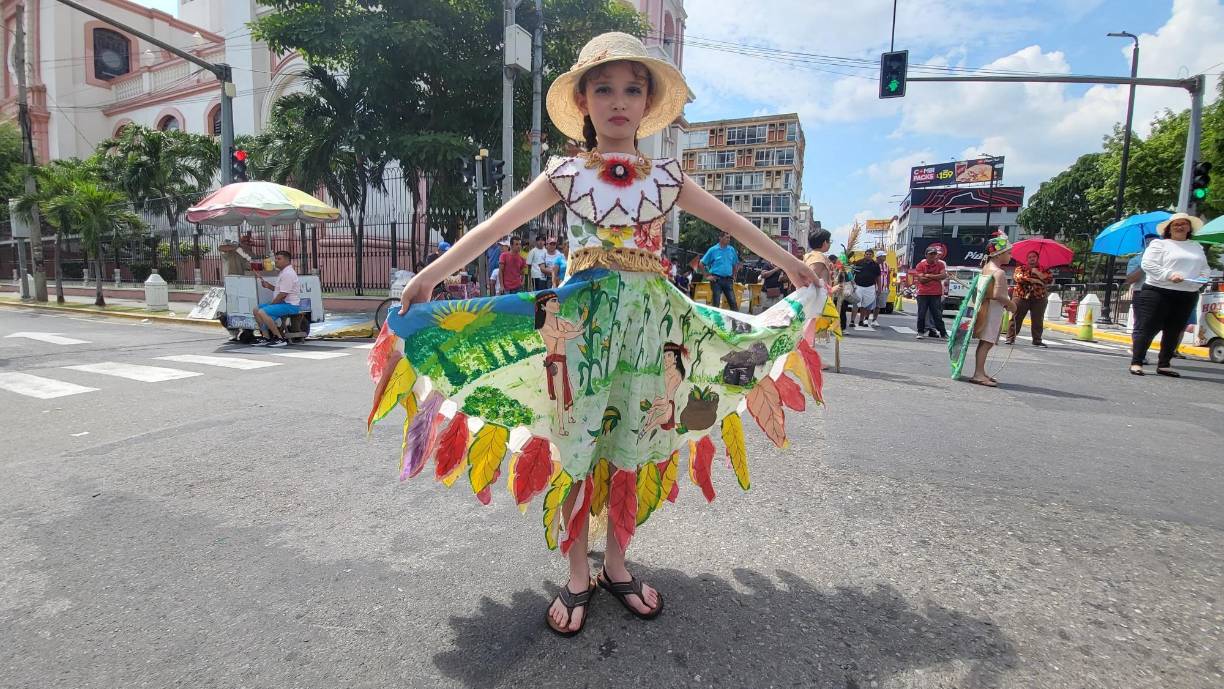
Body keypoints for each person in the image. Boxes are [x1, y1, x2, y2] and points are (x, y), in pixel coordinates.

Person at [385, 32, 824, 638]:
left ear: (647, 104)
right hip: (581, 333)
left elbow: (736, 224)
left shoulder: (668, 178)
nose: (619, 101)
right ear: (585, 102)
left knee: (634, 441)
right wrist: (434, 275)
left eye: (632, 89)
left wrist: (793, 266)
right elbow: (495, 226)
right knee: (578, 442)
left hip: (653, 330)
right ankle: (574, 571)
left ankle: (615, 563)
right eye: (605, 89)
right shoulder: (566, 173)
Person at [1129, 213, 1210, 377]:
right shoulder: (1159, 244)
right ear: (1169, 229)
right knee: (1147, 328)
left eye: (1184, 224)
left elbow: (1205, 268)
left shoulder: (1196, 246)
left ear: (1189, 228)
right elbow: (1148, 264)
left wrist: (1201, 279)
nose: (1180, 227)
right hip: (1158, 291)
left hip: (1187, 293)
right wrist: (1169, 275)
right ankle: (1137, 361)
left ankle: (1164, 364)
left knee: (1174, 330)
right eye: (1176, 224)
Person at [968, 236, 1015, 387]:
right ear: (999, 254)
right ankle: (978, 373)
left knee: (984, 342)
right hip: (992, 310)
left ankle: (980, 371)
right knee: (987, 342)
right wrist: (1011, 304)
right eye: (1008, 253)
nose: (1010, 256)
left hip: (984, 308)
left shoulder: (986, 268)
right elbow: (998, 295)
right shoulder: (999, 272)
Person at [251, 250, 301, 348]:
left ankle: (279, 338)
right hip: (283, 303)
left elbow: (283, 294)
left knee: (262, 312)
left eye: (279, 259)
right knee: (256, 310)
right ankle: (266, 337)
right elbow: (280, 290)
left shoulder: (288, 274)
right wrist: (268, 286)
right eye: (276, 259)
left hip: (290, 305)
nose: (276, 261)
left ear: (287, 261)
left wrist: (272, 305)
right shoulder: (283, 272)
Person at [1005, 250, 1052, 347]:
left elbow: (1049, 279)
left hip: (1039, 297)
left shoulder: (1044, 269)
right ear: (1027, 259)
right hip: (1021, 296)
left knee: (1038, 319)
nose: (1032, 258)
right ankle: (1010, 338)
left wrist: (1038, 273)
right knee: (1016, 317)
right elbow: (1018, 278)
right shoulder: (1021, 268)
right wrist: (1035, 280)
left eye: (1034, 256)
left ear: (1037, 258)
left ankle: (1037, 340)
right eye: (1030, 257)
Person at [912, 246, 948, 339]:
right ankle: (920, 331)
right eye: (930, 254)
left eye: (934, 254)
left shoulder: (940, 264)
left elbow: (943, 275)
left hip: (936, 293)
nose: (933, 256)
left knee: (937, 315)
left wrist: (928, 275)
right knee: (922, 314)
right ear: (926, 255)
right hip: (923, 293)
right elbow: (922, 280)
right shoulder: (921, 265)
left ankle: (943, 333)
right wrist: (936, 276)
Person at [700, 232, 741, 310]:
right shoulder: (713, 250)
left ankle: (735, 322)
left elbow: (735, 264)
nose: (729, 239)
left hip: (728, 279)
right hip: (716, 280)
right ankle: (715, 321)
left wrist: (734, 275)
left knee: (733, 303)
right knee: (716, 303)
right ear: (720, 238)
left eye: (729, 238)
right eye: (726, 237)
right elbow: (701, 263)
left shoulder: (731, 249)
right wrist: (707, 276)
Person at [851, 251, 880, 330]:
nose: (868, 255)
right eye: (867, 254)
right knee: (856, 303)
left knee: (865, 304)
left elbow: (878, 277)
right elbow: (852, 273)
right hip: (858, 286)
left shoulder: (875, 265)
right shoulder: (858, 262)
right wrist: (852, 285)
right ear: (864, 255)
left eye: (870, 254)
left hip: (870, 287)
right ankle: (852, 321)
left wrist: (879, 287)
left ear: (872, 256)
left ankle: (861, 321)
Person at [871, 250, 891, 326]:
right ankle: (865, 319)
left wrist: (888, 286)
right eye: (883, 256)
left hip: (883, 288)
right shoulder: (874, 264)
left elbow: (888, 276)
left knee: (878, 305)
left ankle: (874, 319)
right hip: (873, 287)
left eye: (885, 256)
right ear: (878, 257)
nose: (884, 257)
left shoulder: (886, 265)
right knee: (869, 304)